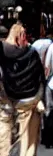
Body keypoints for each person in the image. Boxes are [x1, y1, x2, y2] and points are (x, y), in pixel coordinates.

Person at [0, 23, 45, 156]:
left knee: (4, 126)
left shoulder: (2, 52)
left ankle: (4, 152)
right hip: (29, 98)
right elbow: (40, 76)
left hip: (5, 96)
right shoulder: (31, 53)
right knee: (28, 135)